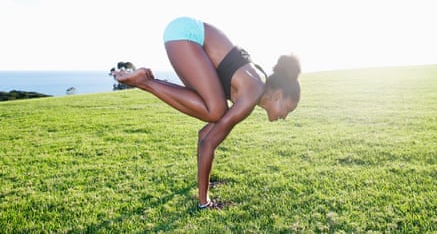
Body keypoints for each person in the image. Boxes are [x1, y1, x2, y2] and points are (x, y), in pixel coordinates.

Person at [112, 16, 301, 209]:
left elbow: (205, 135)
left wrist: (206, 180)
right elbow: (209, 142)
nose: (285, 116)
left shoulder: (253, 88)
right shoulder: (251, 93)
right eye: (288, 109)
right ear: (277, 95)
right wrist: (204, 202)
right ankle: (144, 81)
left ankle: (146, 82)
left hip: (185, 34)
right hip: (187, 36)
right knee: (216, 111)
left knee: (217, 111)